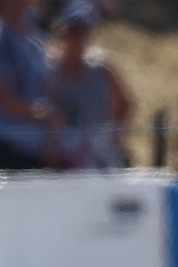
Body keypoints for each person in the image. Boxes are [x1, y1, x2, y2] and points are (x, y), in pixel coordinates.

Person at [46, 0, 130, 169]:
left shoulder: (102, 67)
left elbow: (125, 102)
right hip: (65, 152)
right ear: (63, 31)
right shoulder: (50, 68)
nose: (79, 38)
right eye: (74, 30)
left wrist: (115, 135)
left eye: (84, 31)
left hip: (100, 151)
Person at [0, 0, 52, 169]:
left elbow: (48, 89)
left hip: (40, 146)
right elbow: (1, 96)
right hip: (6, 146)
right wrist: (42, 116)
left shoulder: (36, 43)